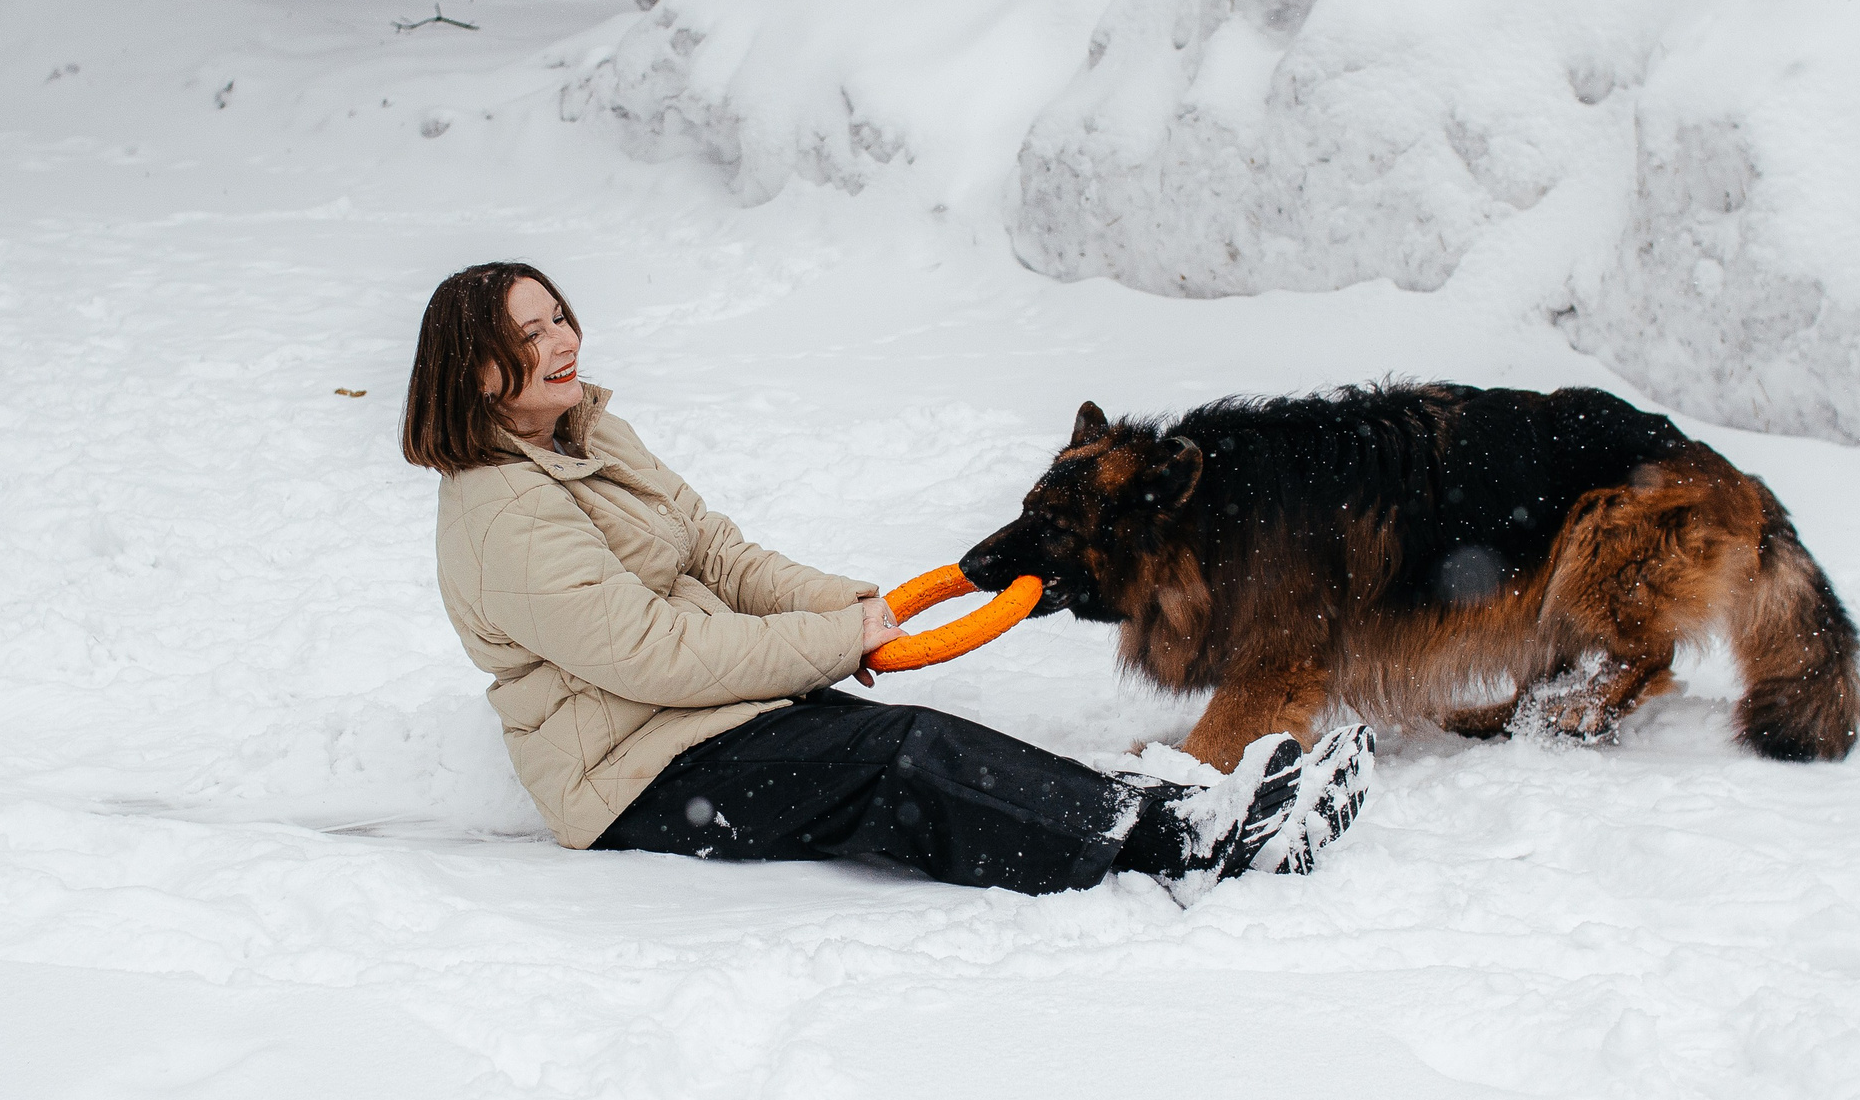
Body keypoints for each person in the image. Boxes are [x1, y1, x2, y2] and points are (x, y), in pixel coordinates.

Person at [406, 261, 1373, 900]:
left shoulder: (592, 435)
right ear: (476, 371)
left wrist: (853, 606)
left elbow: (716, 554)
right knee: (904, 759)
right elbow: (652, 655)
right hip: (637, 777)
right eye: (529, 334)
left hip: (700, 723)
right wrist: (841, 641)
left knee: (922, 740)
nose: (563, 341)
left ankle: (1168, 815)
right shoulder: (503, 513)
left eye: (559, 316)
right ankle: (1194, 845)